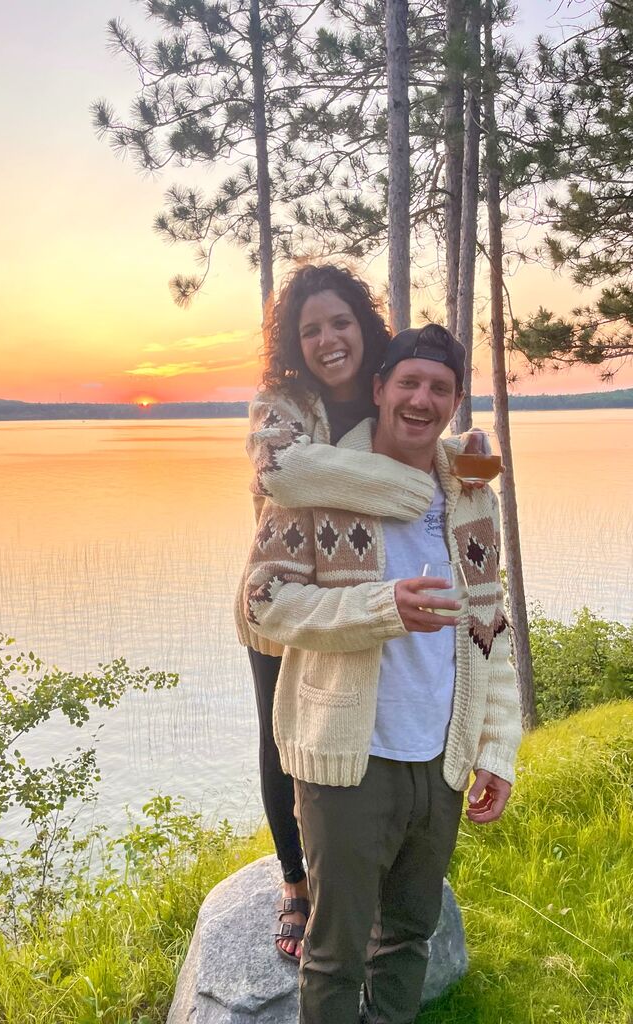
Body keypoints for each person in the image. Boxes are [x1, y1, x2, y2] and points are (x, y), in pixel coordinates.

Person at [241, 324, 522, 1024]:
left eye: (440, 389)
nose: (422, 400)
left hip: (441, 761)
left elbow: (495, 628)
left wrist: (497, 748)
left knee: (407, 940)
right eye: (409, 383)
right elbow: (262, 604)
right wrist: (379, 607)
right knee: (334, 953)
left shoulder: (470, 494)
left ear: (454, 404)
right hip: (348, 765)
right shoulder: (322, 483)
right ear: (379, 389)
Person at [235, 265, 442, 963]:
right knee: (282, 738)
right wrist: (408, 488)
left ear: (365, 325)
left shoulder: (389, 385)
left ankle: (363, 865)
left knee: (361, 721)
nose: (328, 339)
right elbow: (283, 473)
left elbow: (427, 434)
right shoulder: (282, 402)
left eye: (340, 322)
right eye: (311, 329)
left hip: (367, 590)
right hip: (287, 595)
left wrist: (449, 462)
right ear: (295, 344)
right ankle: (295, 881)